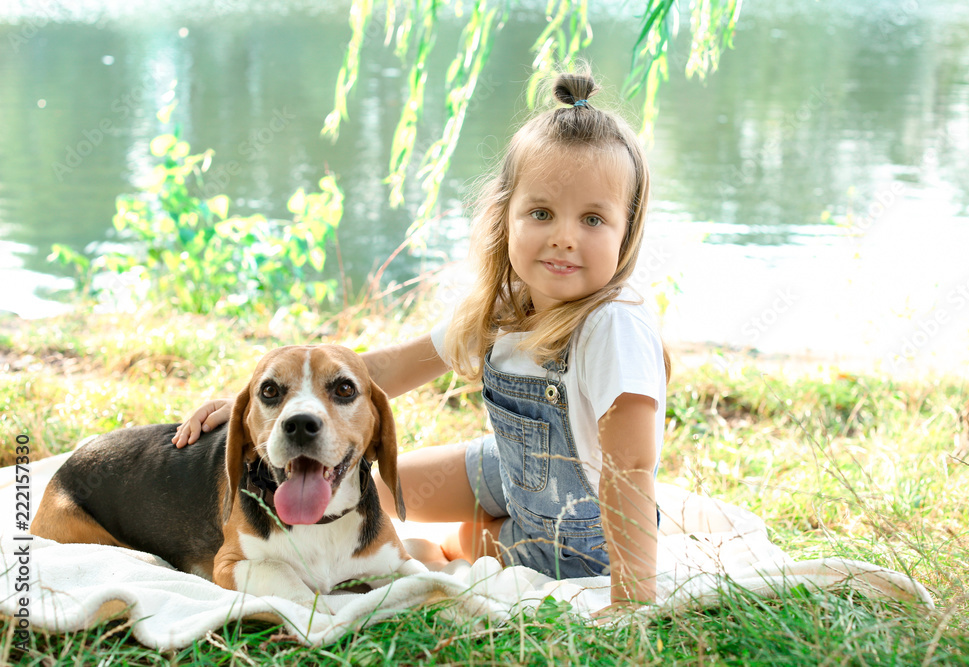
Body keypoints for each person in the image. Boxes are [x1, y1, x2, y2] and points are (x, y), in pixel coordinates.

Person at [173, 70, 670, 607]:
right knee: (366, 490)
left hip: (580, 532)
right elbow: (380, 373)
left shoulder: (613, 326)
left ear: (628, 228)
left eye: (593, 219)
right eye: (541, 213)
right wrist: (263, 403)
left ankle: (463, 544)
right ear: (506, 216)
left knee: (449, 548)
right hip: (512, 470)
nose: (564, 237)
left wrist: (632, 602)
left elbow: (631, 471)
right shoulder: (507, 308)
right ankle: (358, 547)